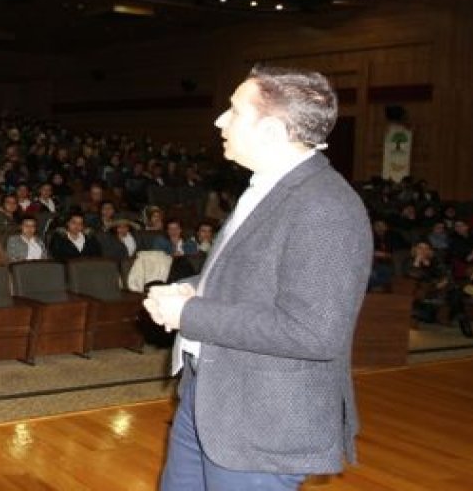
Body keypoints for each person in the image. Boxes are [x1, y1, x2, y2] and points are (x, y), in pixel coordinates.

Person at [145, 65, 371, 491]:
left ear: (270, 131)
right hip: (211, 395)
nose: (219, 121)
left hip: (261, 421)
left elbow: (314, 332)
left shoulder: (325, 207)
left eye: (233, 111)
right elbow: (250, 276)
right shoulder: (266, 187)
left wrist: (191, 313)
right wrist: (191, 288)